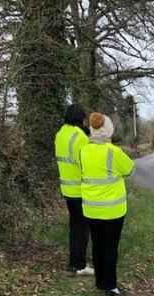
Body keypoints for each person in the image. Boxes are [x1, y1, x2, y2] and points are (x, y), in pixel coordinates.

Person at [80, 113, 135, 296]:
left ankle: (100, 281)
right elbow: (130, 170)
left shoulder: (83, 151)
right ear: (108, 130)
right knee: (110, 247)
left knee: (97, 245)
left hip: (90, 208)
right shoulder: (114, 152)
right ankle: (110, 286)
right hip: (112, 209)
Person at [55, 104, 94, 277]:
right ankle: (80, 265)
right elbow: (87, 163)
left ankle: (73, 262)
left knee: (74, 226)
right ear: (80, 117)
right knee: (83, 228)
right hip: (80, 189)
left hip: (66, 187)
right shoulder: (81, 137)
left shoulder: (60, 133)